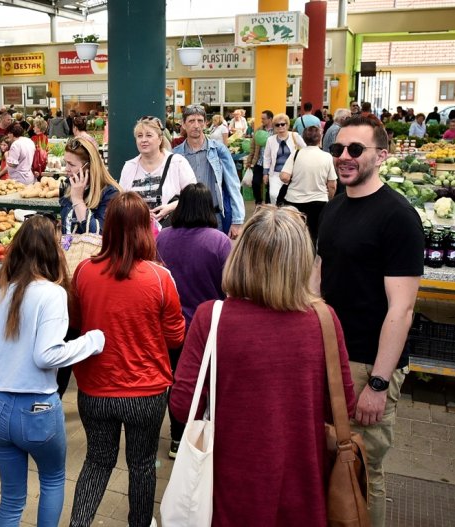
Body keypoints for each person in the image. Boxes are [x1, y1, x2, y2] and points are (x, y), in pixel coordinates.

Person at [171, 205, 356, 527]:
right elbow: (343, 407)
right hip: (304, 492)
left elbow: (183, 407)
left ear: (239, 255)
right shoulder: (325, 321)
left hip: (227, 491)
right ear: (303, 262)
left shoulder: (211, 317)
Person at [317, 115, 425, 527]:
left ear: (381, 155)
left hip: (367, 363)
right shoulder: (336, 205)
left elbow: (402, 309)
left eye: (355, 150)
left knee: (364, 469)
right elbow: (320, 271)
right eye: (338, 149)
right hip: (330, 355)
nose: (344, 157)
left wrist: (379, 384)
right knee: (332, 461)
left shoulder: (398, 217)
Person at [0, 215, 104, 527]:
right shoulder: (52, 293)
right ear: (53, 250)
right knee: (51, 482)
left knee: (11, 498)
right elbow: (47, 354)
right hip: (38, 410)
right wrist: (91, 342)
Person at [69, 192, 185, 527]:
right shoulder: (160, 278)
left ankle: (79, 523)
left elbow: (77, 323)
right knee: (143, 465)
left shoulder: (83, 272)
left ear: (108, 228)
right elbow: (176, 337)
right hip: (146, 393)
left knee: (97, 462)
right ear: (145, 230)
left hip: (95, 389)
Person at [155, 183, 230, 458]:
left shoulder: (162, 239)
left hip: (171, 327)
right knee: (208, 383)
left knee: (176, 382)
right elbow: (230, 285)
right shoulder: (219, 241)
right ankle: (205, 438)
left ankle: (177, 438)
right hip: (209, 327)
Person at [173, 104, 245, 239]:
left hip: (214, 217)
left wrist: (237, 220)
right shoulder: (176, 155)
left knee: (217, 258)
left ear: (206, 123)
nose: (196, 125)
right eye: (191, 121)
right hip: (186, 219)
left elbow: (233, 184)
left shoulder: (219, 150)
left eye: (200, 121)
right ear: (183, 124)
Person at [120, 116, 196, 223]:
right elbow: (121, 202)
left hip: (170, 230)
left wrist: (169, 208)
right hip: (136, 231)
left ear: (160, 139)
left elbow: (194, 197)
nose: (144, 140)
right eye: (139, 136)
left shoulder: (177, 162)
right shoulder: (129, 166)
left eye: (149, 135)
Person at [279, 125, 337, 243]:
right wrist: (329, 199)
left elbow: (284, 176)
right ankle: (310, 259)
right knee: (313, 235)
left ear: (304, 138)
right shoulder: (327, 157)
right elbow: (332, 185)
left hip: (294, 201)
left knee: (294, 235)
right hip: (318, 202)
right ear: (320, 138)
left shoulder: (296, 154)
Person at [59, 136, 121, 234]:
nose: (66, 169)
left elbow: (98, 234)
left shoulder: (110, 193)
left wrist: (78, 201)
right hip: (69, 248)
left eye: (71, 164)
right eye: (65, 163)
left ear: (88, 167)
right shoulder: (67, 185)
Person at [263, 113, 306, 205]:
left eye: (283, 124)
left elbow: (305, 150)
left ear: (287, 125)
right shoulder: (270, 140)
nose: (280, 127)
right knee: (273, 195)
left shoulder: (295, 136)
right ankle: (276, 215)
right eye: (277, 125)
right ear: (274, 126)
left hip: (292, 173)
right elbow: (266, 157)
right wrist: (265, 173)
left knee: (291, 197)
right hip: (275, 173)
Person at [246, 110, 274, 206]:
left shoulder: (276, 131)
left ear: (270, 119)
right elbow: (253, 147)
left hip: (271, 163)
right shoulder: (258, 130)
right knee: (255, 183)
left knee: (270, 185)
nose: (261, 120)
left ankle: (268, 204)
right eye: (261, 118)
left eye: (263, 118)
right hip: (259, 162)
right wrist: (249, 161)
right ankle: (258, 203)